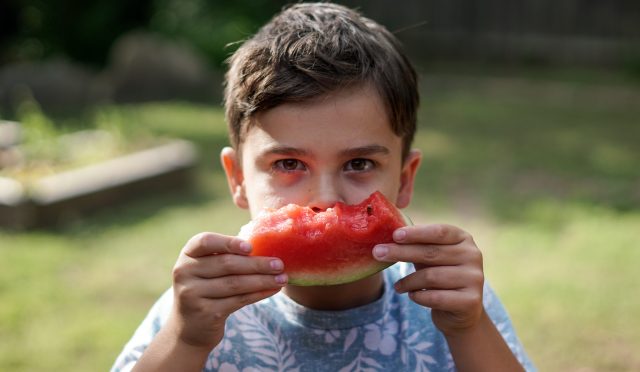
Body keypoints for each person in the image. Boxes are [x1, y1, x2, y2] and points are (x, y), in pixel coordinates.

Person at [112, 3, 534, 371]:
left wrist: (470, 328)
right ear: (238, 179)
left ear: (405, 179)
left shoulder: (447, 301)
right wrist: (186, 341)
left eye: (359, 163)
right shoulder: (198, 311)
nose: (326, 199)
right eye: (289, 163)